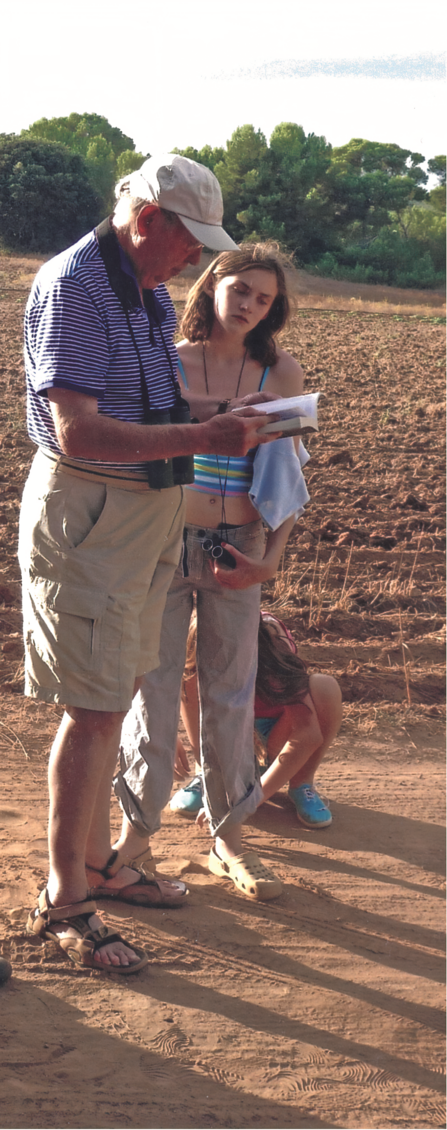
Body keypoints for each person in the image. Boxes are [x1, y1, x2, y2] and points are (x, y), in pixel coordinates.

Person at [20, 155, 280, 972]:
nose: (197, 262)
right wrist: (206, 439)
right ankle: (66, 900)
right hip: (93, 510)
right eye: (190, 243)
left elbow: (147, 404)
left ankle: (99, 862)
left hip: (139, 514)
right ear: (148, 222)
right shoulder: (77, 287)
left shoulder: (142, 284)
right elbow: (80, 434)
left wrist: (221, 420)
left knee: (117, 688)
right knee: (94, 708)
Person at [114, 244, 311, 901]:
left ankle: (228, 838)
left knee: (230, 692)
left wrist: (270, 559)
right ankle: (134, 840)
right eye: (239, 288)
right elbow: (143, 438)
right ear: (211, 287)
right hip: (168, 540)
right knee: (155, 687)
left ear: (272, 307)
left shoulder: (282, 372)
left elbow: (290, 477)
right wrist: (216, 416)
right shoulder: (170, 363)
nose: (249, 302)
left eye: (262, 296)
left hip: (240, 545)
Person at [172, 610, 342, 837]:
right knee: (189, 678)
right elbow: (169, 688)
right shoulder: (198, 633)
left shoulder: (272, 649)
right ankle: (207, 773)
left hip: (275, 733)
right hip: (227, 729)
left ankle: (302, 783)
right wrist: (168, 736)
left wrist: (250, 802)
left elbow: (307, 735)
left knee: (324, 687)